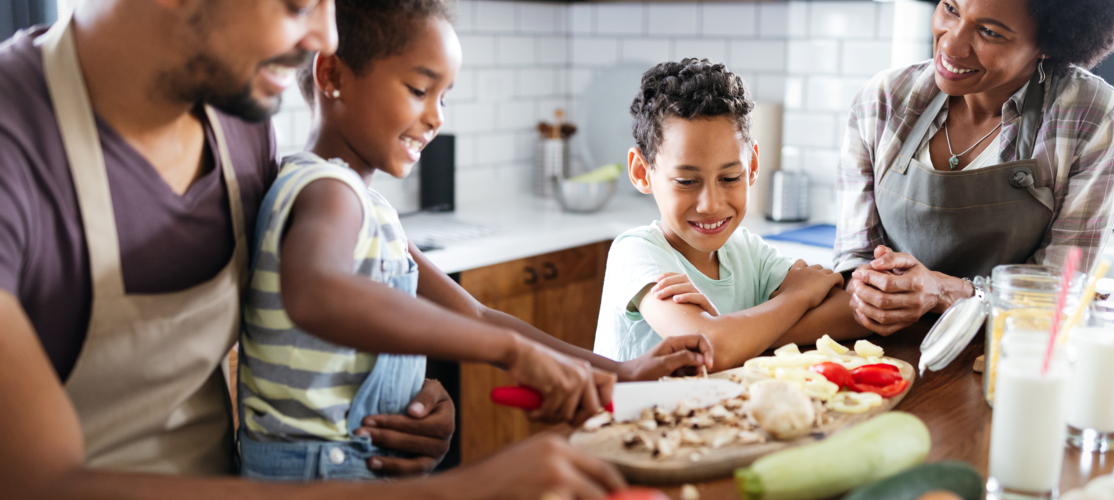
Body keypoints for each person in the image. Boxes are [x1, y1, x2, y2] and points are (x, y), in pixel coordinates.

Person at [0, 0, 688, 497]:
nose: (325, 31)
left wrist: (414, 393)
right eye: (299, 0)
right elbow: (40, 481)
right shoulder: (17, 150)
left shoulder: (246, 131)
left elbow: (452, 315)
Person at [237, 0, 713, 481]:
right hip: (317, 473)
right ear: (332, 74)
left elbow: (477, 314)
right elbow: (317, 293)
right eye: (420, 89)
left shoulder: (366, 204)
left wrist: (616, 372)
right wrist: (511, 353)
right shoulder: (327, 190)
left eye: (443, 97)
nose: (436, 116)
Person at [835, 0, 1114, 335]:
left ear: (1047, 45)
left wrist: (944, 293)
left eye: (989, 32)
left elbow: (1058, 290)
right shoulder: (885, 99)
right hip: (884, 347)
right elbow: (855, 256)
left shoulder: (1091, 116)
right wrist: (870, 288)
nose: (950, 44)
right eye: (951, 9)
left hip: (1009, 353)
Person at [593, 59, 868, 372]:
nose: (710, 204)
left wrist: (735, 332)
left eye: (729, 178)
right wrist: (798, 296)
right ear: (642, 172)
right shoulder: (636, 253)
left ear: (751, 167)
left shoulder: (747, 251)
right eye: (686, 181)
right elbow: (714, 349)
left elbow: (855, 313)